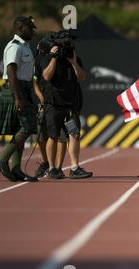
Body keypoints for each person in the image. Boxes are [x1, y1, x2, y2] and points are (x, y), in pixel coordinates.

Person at [39, 31, 92, 179]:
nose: (69, 47)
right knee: (53, 136)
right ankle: (52, 168)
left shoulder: (74, 58)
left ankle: (74, 167)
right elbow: (46, 76)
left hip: (70, 106)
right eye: (66, 44)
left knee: (74, 134)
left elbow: (82, 76)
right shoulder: (48, 57)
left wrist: (73, 62)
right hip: (54, 104)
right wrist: (54, 58)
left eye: (70, 44)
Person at [0, 16, 38, 182]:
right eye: (30, 28)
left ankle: (16, 169)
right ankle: (2, 159)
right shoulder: (15, 47)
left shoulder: (25, 46)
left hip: (24, 88)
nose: (33, 31)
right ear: (20, 28)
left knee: (20, 129)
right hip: (16, 89)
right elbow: (11, 72)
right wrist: (17, 97)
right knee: (27, 127)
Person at [32, 44, 68, 178]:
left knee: (61, 136)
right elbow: (34, 83)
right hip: (43, 103)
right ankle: (46, 163)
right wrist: (41, 98)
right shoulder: (38, 61)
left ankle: (58, 167)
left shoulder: (60, 61)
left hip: (58, 102)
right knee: (41, 136)